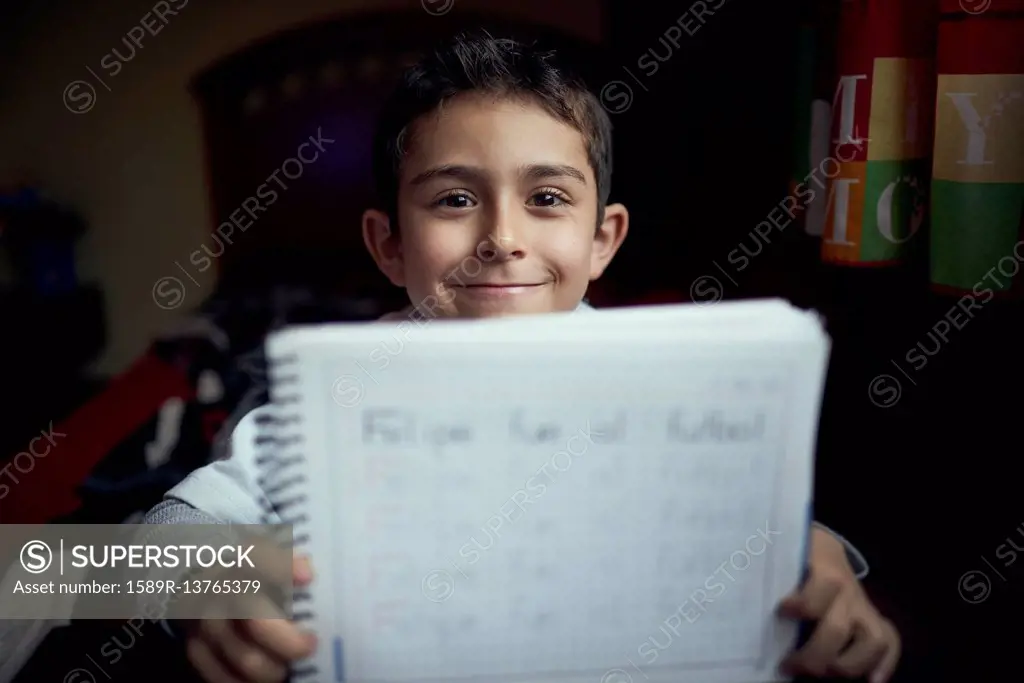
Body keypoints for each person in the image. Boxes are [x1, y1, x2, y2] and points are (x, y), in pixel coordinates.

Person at [145, 31, 900, 683]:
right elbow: (147, 540)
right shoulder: (334, 402)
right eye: (453, 199)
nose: (503, 237)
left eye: (546, 199)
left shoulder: (665, 382)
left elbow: (742, 510)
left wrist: (820, 553)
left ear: (602, 239)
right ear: (389, 244)